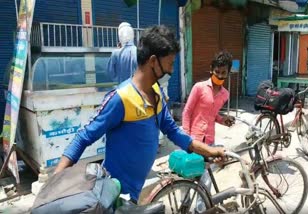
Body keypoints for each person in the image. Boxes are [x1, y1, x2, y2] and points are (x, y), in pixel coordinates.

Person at [54, 25, 225, 203]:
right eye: (170, 63)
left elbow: (173, 131)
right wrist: (55, 182)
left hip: (134, 194)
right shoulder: (121, 98)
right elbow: (83, 137)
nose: (172, 71)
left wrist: (209, 150)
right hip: (113, 196)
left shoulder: (157, 93)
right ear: (153, 61)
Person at [182, 50, 235, 146]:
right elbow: (187, 111)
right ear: (211, 69)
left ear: (228, 73)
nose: (219, 76)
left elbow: (212, 115)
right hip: (194, 139)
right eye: (217, 72)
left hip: (210, 140)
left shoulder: (225, 94)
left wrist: (222, 120)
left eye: (223, 73)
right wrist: (186, 136)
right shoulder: (199, 87)